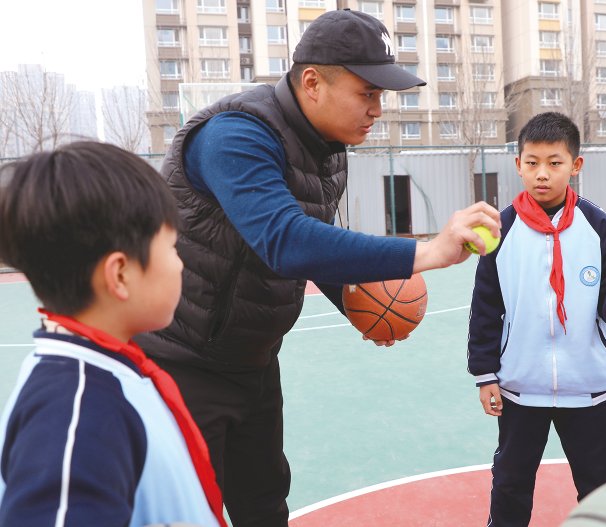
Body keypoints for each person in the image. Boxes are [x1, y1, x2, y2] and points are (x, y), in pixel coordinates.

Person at [134, 8, 500, 527]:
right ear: (313, 82)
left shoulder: (328, 147)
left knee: (263, 505)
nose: (377, 110)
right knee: (185, 513)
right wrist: (427, 252)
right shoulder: (234, 136)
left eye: (381, 97)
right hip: (181, 362)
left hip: (253, 359)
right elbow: (283, 239)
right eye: (367, 93)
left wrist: (353, 299)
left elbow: (312, 239)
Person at [0, 142, 225, 527]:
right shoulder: (75, 412)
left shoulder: (100, 372)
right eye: (172, 247)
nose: (179, 263)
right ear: (119, 274)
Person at [467, 112, 606, 526]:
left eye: (554, 162)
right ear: (518, 165)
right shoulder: (501, 227)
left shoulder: (596, 223)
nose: (542, 174)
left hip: (587, 386)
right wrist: (485, 373)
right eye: (532, 163)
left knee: (600, 482)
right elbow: (485, 305)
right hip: (520, 385)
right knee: (511, 481)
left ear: (576, 165)